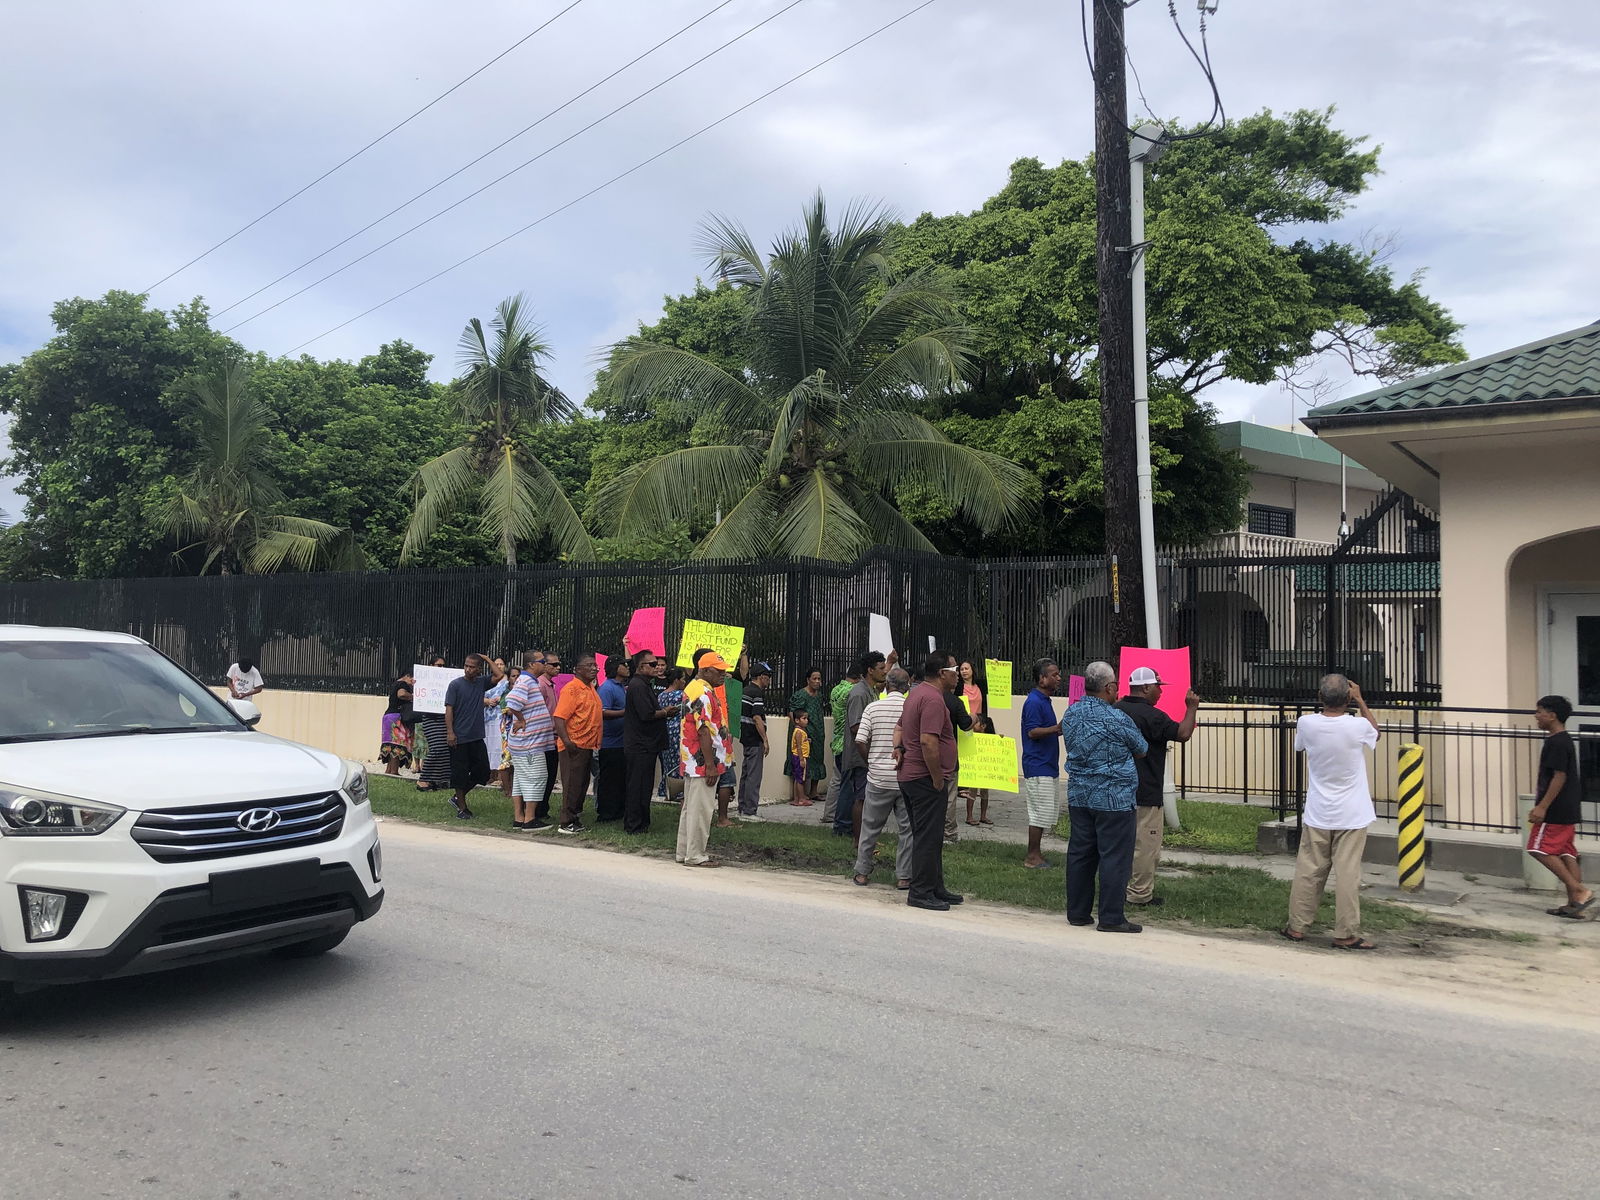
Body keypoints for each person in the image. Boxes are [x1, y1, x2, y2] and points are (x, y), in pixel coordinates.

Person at [1283, 674, 1381, 950]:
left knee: (1308, 870)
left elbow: (1300, 746)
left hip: (1318, 811)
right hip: (1352, 813)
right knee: (1347, 874)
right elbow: (1377, 734)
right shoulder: (1358, 726)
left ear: (1319, 697)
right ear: (1348, 698)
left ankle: (1297, 927)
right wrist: (1361, 701)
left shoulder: (1307, 723)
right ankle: (1346, 933)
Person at [1062, 660, 1148, 933]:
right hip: (1114, 799)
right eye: (1116, 686)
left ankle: (1077, 912)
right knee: (1114, 857)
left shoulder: (1071, 714)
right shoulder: (1117, 717)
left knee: (1080, 854)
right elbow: (1141, 748)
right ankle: (1111, 917)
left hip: (1079, 796)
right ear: (1110, 687)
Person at [1116, 667, 1201, 908]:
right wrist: (1191, 707)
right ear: (1145, 688)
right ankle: (1139, 894)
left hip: (1117, 790)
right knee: (1145, 846)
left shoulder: (1116, 710)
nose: (1160, 692)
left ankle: (1118, 888)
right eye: (1158, 687)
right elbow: (1183, 733)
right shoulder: (1153, 716)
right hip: (1146, 791)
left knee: (1121, 844)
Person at [895, 653, 965, 912]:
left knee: (931, 836)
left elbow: (900, 727)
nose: (958, 675)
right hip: (925, 778)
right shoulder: (933, 699)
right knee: (927, 837)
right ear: (942, 673)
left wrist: (899, 748)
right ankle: (921, 892)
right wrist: (937, 777)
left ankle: (935, 886)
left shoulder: (916, 693)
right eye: (955, 669)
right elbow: (928, 741)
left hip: (912, 776)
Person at [1528, 694, 1593, 917]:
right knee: (1567, 853)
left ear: (1552, 715)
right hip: (1568, 807)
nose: (1536, 716)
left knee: (1538, 849)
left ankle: (1580, 890)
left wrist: (1542, 807)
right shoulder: (1564, 740)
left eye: (1539, 712)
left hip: (1555, 810)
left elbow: (1559, 777)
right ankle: (1574, 905)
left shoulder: (1556, 742)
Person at [851, 666, 913, 890]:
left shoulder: (873, 707)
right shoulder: (910, 708)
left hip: (878, 777)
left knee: (870, 827)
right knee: (907, 829)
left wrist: (871, 762)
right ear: (907, 688)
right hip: (905, 777)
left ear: (887, 685)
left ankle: (862, 872)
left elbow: (859, 739)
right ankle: (904, 876)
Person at [677, 652, 733, 868]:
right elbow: (704, 731)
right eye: (719, 671)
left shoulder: (694, 688)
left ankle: (685, 852)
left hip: (693, 760)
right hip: (702, 763)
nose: (723, 674)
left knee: (690, 809)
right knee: (700, 810)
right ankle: (696, 855)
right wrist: (710, 765)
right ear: (705, 670)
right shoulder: (702, 694)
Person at [836, 652, 887, 839]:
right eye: (881, 668)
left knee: (863, 796)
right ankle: (853, 836)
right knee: (859, 797)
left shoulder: (871, 690)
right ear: (870, 670)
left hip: (868, 752)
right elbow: (856, 727)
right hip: (860, 754)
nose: (885, 672)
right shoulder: (859, 693)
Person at [1020, 658, 1065, 868]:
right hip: (1038, 766)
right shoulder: (1034, 702)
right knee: (1038, 813)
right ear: (1041, 678)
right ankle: (1032, 856)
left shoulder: (1044, 700)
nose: (1059, 678)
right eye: (1054, 675)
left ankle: (1037, 852)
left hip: (1047, 764)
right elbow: (1032, 731)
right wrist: (1056, 729)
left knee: (1046, 812)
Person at [623, 650, 672, 834]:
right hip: (639, 745)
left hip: (648, 744)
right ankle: (634, 824)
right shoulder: (638, 686)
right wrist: (666, 712)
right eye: (652, 664)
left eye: (658, 664)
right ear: (641, 666)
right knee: (637, 786)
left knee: (645, 786)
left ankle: (642, 822)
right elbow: (646, 714)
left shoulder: (645, 684)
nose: (656, 667)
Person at [553, 654, 603, 835]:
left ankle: (575, 817)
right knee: (572, 783)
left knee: (582, 783)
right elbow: (559, 718)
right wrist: (567, 741)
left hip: (588, 744)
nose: (594, 668)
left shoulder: (590, 688)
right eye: (589, 665)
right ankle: (566, 821)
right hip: (573, 745)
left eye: (595, 665)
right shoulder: (572, 689)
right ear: (577, 669)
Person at [506, 653, 556, 830]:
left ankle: (519, 817)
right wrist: (520, 719)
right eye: (542, 662)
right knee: (537, 777)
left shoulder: (529, 681)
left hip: (526, 743)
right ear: (531, 664)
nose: (545, 664)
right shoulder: (526, 681)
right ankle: (530, 819)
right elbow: (511, 702)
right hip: (529, 743)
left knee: (520, 780)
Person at [443, 653, 495, 820]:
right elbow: (449, 709)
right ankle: (462, 808)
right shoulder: (455, 685)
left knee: (483, 772)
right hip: (460, 736)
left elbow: (500, 675)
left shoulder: (481, 683)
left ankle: (458, 797)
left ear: (479, 669)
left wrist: (486, 659)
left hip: (476, 736)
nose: (468, 669)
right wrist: (450, 732)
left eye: (472, 666)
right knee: (460, 773)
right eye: (466, 665)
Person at [938, 655, 974, 844]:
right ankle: (949, 834)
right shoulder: (954, 702)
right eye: (955, 670)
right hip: (949, 758)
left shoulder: (924, 697)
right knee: (950, 798)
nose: (959, 674)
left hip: (928, 757)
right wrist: (975, 718)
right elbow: (966, 724)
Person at [595, 655, 630, 823]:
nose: (628, 667)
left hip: (622, 742)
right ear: (616, 668)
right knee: (609, 780)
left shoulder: (622, 687)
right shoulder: (607, 688)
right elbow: (603, 712)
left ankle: (618, 810)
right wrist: (626, 712)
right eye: (624, 664)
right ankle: (606, 813)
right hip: (610, 743)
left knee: (620, 779)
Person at [825, 665, 861, 826]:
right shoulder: (852, 692)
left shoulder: (836, 689)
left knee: (836, 780)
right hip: (847, 742)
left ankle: (829, 813)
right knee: (847, 784)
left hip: (837, 738)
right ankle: (841, 819)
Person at [737, 661, 773, 821]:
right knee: (754, 775)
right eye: (768, 677)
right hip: (754, 738)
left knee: (746, 774)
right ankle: (750, 811)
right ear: (761, 677)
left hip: (745, 737)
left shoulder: (745, 690)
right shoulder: (756, 693)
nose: (769, 681)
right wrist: (765, 739)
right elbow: (757, 717)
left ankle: (742, 807)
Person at [786, 668, 828, 804]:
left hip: (818, 732)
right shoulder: (800, 695)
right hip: (805, 733)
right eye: (814, 678)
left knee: (818, 759)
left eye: (819, 679)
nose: (817, 681)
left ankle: (814, 791)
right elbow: (793, 712)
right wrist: (799, 728)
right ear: (808, 679)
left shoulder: (819, 695)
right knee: (801, 763)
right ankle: (800, 795)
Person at [531, 651, 561, 825]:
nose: (558, 667)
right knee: (543, 775)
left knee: (550, 775)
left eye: (558, 664)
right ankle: (538, 809)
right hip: (543, 736)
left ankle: (543, 808)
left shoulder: (551, 685)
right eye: (553, 664)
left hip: (553, 736)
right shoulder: (540, 685)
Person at [959, 659, 989, 828]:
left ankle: (983, 814)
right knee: (973, 776)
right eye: (961, 669)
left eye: (966, 668)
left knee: (984, 776)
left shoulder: (980, 687)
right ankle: (970, 815)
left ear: (973, 670)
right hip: (966, 730)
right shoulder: (958, 688)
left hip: (981, 730)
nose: (964, 671)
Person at [416, 656, 452, 793]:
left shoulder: (448, 680)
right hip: (430, 717)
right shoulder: (423, 679)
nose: (441, 668)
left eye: (443, 665)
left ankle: (439, 779)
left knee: (446, 748)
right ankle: (423, 779)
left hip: (444, 716)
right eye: (438, 665)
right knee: (436, 748)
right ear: (431, 665)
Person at [657, 667, 688, 800]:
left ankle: (666, 788)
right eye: (683, 679)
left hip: (665, 731)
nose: (685, 682)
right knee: (678, 761)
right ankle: (678, 790)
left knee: (668, 761)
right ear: (676, 680)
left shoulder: (661, 695)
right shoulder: (681, 695)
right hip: (679, 732)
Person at [483, 658, 512, 796]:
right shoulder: (487, 681)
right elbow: (478, 696)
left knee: (500, 747)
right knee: (489, 745)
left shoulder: (508, 682)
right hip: (488, 718)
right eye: (496, 664)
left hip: (502, 719)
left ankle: (502, 778)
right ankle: (490, 775)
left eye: (501, 664)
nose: (499, 666)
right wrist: (487, 701)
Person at [380, 673, 416, 775]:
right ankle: (394, 771)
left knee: (391, 745)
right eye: (413, 679)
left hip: (388, 717)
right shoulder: (403, 684)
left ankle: (389, 770)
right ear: (408, 676)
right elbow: (401, 694)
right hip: (397, 718)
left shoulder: (396, 683)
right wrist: (413, 696)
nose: (413, 683)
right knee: (397, 745)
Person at [788, 709, 813, 805]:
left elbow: (801, 743)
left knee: (797, 778)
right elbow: (798, 746)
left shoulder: (800, 731)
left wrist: (807, 740)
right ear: (797, 720)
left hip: (797, 757)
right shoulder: (799, 732)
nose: (806, 720)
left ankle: (796, 798)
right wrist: (802, 759)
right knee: (801, 779)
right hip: (800, 757)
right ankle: (802, 799)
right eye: (804, 718)